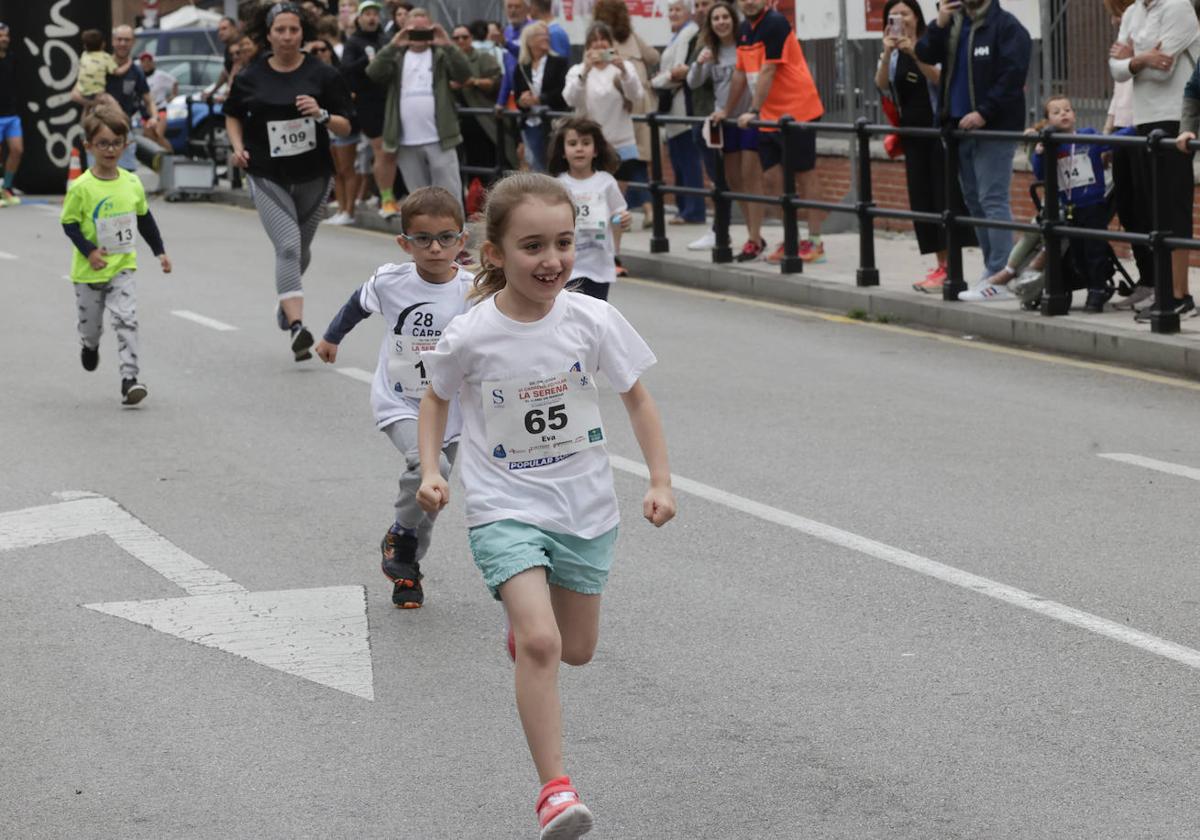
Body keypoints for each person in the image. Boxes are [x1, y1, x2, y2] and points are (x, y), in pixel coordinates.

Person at [415, 172, 675, 840]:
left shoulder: (592, 318)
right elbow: (436, 395)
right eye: (533, 245)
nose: (553, 259)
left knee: (576, 650)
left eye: (564, 242)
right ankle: (555, 793)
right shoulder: (471, 333)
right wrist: (431, 470)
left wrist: (659, 480)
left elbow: (637, 398)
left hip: (583, 508)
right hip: (504, 504)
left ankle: (530, 633)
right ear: (495, 252)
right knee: (540, 642)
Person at [314, 187, 472, 608]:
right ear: (405, 243)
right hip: (399, 401)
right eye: (423, 239)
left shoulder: (474, 292)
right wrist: (331, 337)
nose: (435, 248)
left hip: (451, 409)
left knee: (432, 496)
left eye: (446, 237)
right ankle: (401, 533)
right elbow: (357, 304)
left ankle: (407, 572)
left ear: (463, 241)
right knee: (429, 466)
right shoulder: (391, 281)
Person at [224, 2, 355, 361]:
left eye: (293, 30)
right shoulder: (251, 75)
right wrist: (238, 149)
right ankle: (298, 326)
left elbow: (347, 125)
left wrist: (322, 114)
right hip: (267, 174)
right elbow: (232, 115)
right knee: (287, 247)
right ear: (267, 34)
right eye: (279, 30)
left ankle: (286, 303)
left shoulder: (323, 75)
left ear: (303, 34)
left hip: (314, 174)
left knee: (301, 249)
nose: (286, 36)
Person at [917, 0, 1031, 300]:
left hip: (993, 128)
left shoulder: (1007, 27)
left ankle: (1001, 276)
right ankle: (990, 270)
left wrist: (984, 112)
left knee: (992, 199)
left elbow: (1012, 77)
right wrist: (938, 24)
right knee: (974, 202)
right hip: (957, 128)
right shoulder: (954, 25)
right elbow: (924, 53)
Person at [60, 105, 172, 406]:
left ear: (126, 145)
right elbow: (68, 224)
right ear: (89, 146)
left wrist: (159, 251)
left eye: (116, 143)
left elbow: (145, 219)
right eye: (103, 144)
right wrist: (90, 251)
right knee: (92, 327)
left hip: (122, 266)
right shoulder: (81, 187)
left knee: (127, 319)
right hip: (88, 272)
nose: (110, 150)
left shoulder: (132, 182)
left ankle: (130, 379)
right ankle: (89, 345)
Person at [873, 0, 974, 292]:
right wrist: (889, 52)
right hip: (911, 135)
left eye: (905, 13)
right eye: (894, 15)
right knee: (923, 200)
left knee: (945, 198)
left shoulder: (930, 43)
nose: (900, 19)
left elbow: (942, 79)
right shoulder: (892, 51)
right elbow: (881, 84)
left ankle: (951, 268)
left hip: (936, 132)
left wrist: (913, 53)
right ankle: (940, 265)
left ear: (916, 17)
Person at [1110, 0, 1200, 321]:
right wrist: (1144, 58)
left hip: (1176, 118)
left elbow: (1166, 70)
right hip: (1144, 118)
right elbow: (1115, 71)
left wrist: (1133, 58)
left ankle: (1180, 296)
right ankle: (1164, 291)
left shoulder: (1178, 7)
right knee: (1154, 209)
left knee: (1174, 206)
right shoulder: (1134, 13)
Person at [723, 0, 827, 265]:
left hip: (797, 111)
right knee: (773, 180)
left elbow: (769, 69)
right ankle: (790, 238)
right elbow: (739, 74)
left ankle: (815, 240)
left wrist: (754, 110)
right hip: (769, 117)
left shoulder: (775, 23)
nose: (748, 2)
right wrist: (726, 111)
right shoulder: (745, 30)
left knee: (805, 175)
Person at [365, 7, 473, 238]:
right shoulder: (396, 55)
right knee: (419, 198)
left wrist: (446, 43)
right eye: (414, 31)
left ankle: (457, 242)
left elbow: (465, 74)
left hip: (440, 137)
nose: (420, 36)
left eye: (425, 30)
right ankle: (425, 243)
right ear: (404, 29)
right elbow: (373, 73)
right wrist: (395, 43)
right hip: (406, 139)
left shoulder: (441, 54)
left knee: (450, 195)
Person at [1029, 96, 1131, 312]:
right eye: (1056, 112)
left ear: (1074, 114)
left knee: (1094, 249)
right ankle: (1091, 283)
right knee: (1077, 253)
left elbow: (1112, 140)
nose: (1064, 114)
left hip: (1093, 204)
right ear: (1048, 121)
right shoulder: (1052, 145)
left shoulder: (1088, 136)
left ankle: (1097, 289)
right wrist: (1039, 152)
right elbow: (1040, 174)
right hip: (1070, 207)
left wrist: (1136, 130)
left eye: (1067, 109)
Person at [689, 0, 765, 260]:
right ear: (710, 24)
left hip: (748, 118)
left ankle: (755, 237)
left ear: (733, 19)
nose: (721, 22)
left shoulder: (746, 44)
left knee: (750, 177)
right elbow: (693, 82)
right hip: (725, 121)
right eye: (716, 19)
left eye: (725, 17)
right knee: (734, 180)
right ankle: (752, 236)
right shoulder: (712, 50)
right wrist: (699, 62)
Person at [591, 0, 659, 228]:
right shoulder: (631, 35)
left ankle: (631, 212)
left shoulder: (600, 44)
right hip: (638, 101)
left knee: (630, 160)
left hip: (622, 103)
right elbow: (653, 57)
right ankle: (640, 211)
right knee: (633, 159)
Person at [549, 117, 633, 300]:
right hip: (567, 265)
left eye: (586, 143)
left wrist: (623, 218)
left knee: (597, 316)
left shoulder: (606, 182)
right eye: (572, 143)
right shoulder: (558, 185)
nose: (579, 148)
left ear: (595, 150)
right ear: (563, 152)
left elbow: (618, 214)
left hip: (599, 264)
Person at [72, 25, 171, 168]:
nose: (123, 43)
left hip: (123, 131)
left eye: (127, 40)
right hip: (98, 131)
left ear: (133, 42)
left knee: (126, 177)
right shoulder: (99, 64)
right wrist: (98, 101)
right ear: (112, 41)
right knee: (98, 179)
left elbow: (149, 100)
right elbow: (74, 94)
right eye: (119, 39)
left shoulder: (136, 71)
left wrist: (154, 117)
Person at [652, 0, 707, 225]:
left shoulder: (687, 34)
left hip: (683, 108)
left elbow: (677, 73)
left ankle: (693, 210)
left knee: (688, 161)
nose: (673, 14)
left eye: (678, 10)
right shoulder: (677, 35)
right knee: (678, 160)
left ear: (688, 12)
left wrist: (655, 80)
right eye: (670, 10)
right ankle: (684, 208)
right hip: (673, 110)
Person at [512, 21, 569, 172]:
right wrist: (523, 101)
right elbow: (517, 98)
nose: (546, 38)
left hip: (554, 124)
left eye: (547, 35)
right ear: (529, 41)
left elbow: (564, 92)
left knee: (556, 167)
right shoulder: (521, 67)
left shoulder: (559, 62)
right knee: (538, 169)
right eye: (540, 35)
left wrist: (539, 99)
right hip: (531, 125)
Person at [451, 24, 503, 185]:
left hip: (482, 120)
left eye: (464, 37)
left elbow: (497, 82)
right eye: (456, 38)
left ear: (471, 39)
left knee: (486, 166)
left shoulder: (484, 57)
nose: (461, 41)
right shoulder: (445, 60)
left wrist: (473, 82)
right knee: (459, 169)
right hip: (453, 122)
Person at [0, 22, 22, 207]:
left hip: (12, 114)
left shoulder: (13, 58)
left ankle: (7, 186)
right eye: (1, 35)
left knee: (16, 150)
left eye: (6, 35)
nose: (4, 38)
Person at [76, 30, 127, 103]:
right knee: (114, 103)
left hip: (82, 92)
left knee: (88, 107)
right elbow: (118, 72)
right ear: (103, 44)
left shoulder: (84, 55)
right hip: (98, 94)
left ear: (85, 46)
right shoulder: (105, 57)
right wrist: (129, 63)